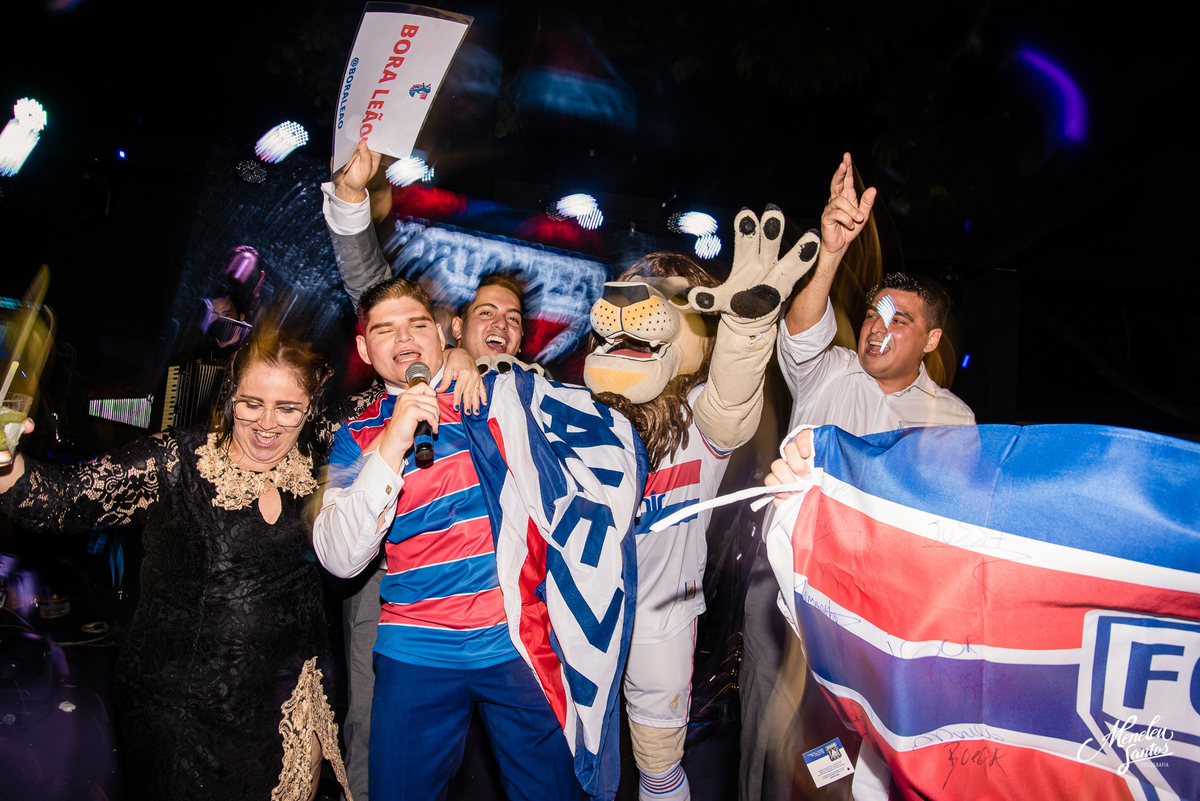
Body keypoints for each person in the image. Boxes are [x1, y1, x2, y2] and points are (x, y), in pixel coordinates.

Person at [0, 331, 353, 801]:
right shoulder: (176, 462)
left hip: (288, 703)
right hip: (183, 712)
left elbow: (395, 386)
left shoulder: (315, 457)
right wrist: (9, 466)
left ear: (309, 408)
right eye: (251, 403)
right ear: (229, 398)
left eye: (287, 408)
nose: (267, 423)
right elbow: (63, 500)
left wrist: (453, 357)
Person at [740, 153, 975, 801]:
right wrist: (834, 248)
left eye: (902, 319)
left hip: (878, 608)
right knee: (767, 744)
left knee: (841, 761)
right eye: (876, 312)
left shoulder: (952, 418)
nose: (880, 326)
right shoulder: (830, 370)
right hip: (784, 589)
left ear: (929, 341)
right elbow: (801, 326)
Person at [312, 277, 591, 801]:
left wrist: (470, 363)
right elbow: (340, 559)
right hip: (415, 651)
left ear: (441, 336)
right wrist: (393, 441)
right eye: (384, 328)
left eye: (418, 324)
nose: (405, 339)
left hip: (513, 643)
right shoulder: (356, 439)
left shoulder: (495, 400)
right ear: (363, 348)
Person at [585, 209, 821, 801]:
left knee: (659, 769)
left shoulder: (695, 421)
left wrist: (745, 329)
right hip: (577, 613)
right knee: (568, 764)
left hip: (662, 616)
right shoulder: (575, 412)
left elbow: (733, 395)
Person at [320, 142, 532, 801]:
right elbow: (376, 296)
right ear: (457, 327)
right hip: (396, 606)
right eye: (485, 314)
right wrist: (353, 202)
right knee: (380, 745)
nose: (500, 325)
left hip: (506, 629)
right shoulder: (384, 401)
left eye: (513, 318)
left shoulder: (520, 397)